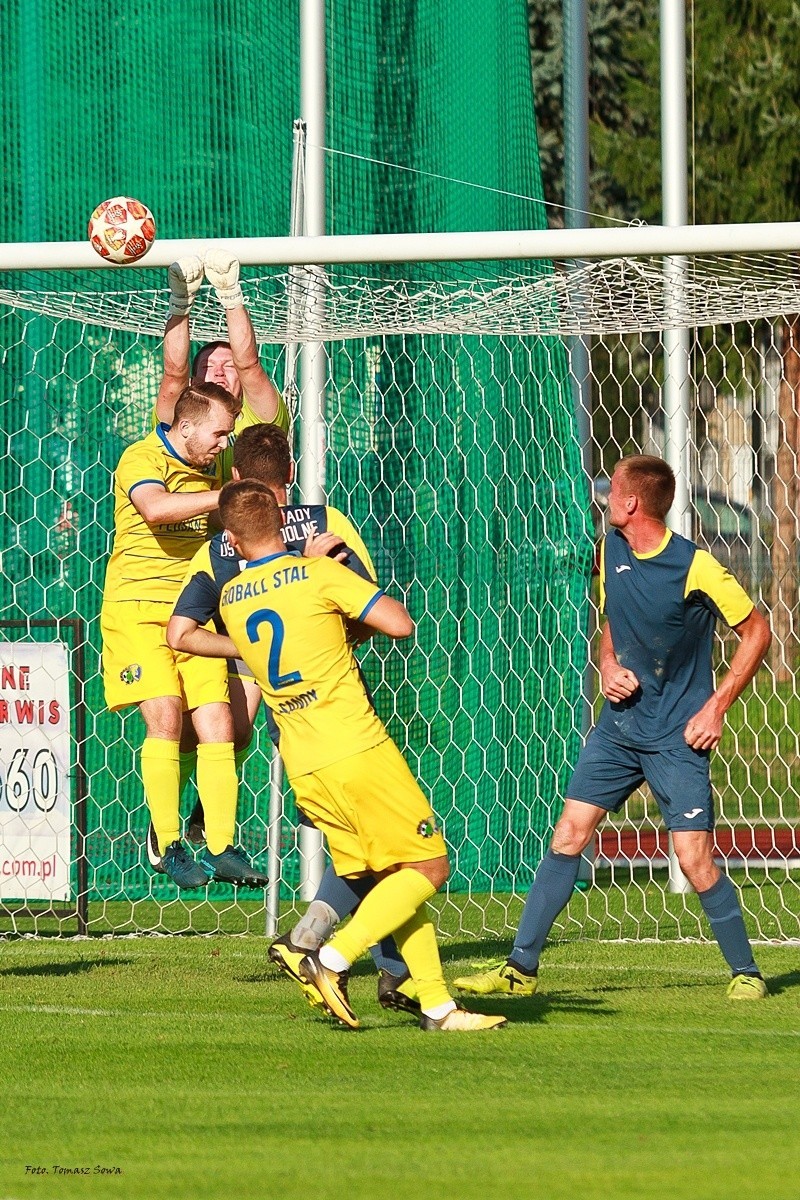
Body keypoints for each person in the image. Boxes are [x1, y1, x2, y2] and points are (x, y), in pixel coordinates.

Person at [170, 479, 507, 1032]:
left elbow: (190, 633)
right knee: (429, 865)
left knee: (387, 871)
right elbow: (399, 623)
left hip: (302, 758)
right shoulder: (317, 574)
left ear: (230, 539)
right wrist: (329, 578)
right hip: (354, 744)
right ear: (283, 518)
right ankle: (329, 958)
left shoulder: (231, 598)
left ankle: (439, 1008)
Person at [454, 454, 772, 1002]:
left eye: (613, 489)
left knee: (695, 861)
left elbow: (758, 630)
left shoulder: (696, 567)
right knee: (569, 835)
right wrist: (607, 666)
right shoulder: (610, 551)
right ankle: (520, 968)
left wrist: (716, 706)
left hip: (678, 736)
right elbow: (610, 623)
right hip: (619, 730)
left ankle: (747, 972)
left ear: (631, 503)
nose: (604, 496)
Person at [168, 423, 420, 1015]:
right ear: (291, 475)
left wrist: (245, 653)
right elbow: (371, 610)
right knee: (389, 849)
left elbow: (179, 633)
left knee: (358, 845)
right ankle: (361, 961)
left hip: (292, 723)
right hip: (343, 713)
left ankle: (358, 957)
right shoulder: (325, 527)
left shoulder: (219, 548)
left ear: (234, 478)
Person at [100, 382, 266, 890]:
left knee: (221, 722)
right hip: (136, 613)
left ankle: (220, 845)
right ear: (186, 426)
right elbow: (155, 508)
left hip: (195, 614)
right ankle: (167, 844)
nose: (223, 443)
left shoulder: (217, 467)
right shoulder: (141, 456)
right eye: (218, 433)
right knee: (167, 715)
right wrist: (228, 495)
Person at [156, 250, 290, 476]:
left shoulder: (258, 419)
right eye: (208, 368)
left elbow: (248, 364)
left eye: (229, 367)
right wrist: (180, 301)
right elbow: (174, 373)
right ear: (194, 382)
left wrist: (230, 295)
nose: (218, 374)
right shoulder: (181, 419)